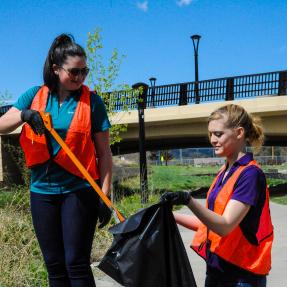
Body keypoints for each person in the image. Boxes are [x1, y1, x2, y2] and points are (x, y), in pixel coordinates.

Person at [0, 34, 113, 287]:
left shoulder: (92, 102)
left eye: (84, 71)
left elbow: (104, 154)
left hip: (79, 190)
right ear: (56, 68)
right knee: (54, 265)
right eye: (74, 71)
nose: (80, 77)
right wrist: (26, 115)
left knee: (76, 262)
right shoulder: (34, 95)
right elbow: (2, 125)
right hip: (42, 191)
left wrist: (105, 196)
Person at [161, 104, 273, 287]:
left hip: (241, 277)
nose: (212, 140)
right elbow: (209, 225)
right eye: (210, 134)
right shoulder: (225, 172)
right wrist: (170, 215)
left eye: (218, 134)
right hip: (217, 271)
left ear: (239, 132)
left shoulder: (250, 175)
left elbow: (225, 226)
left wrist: (188, 200)